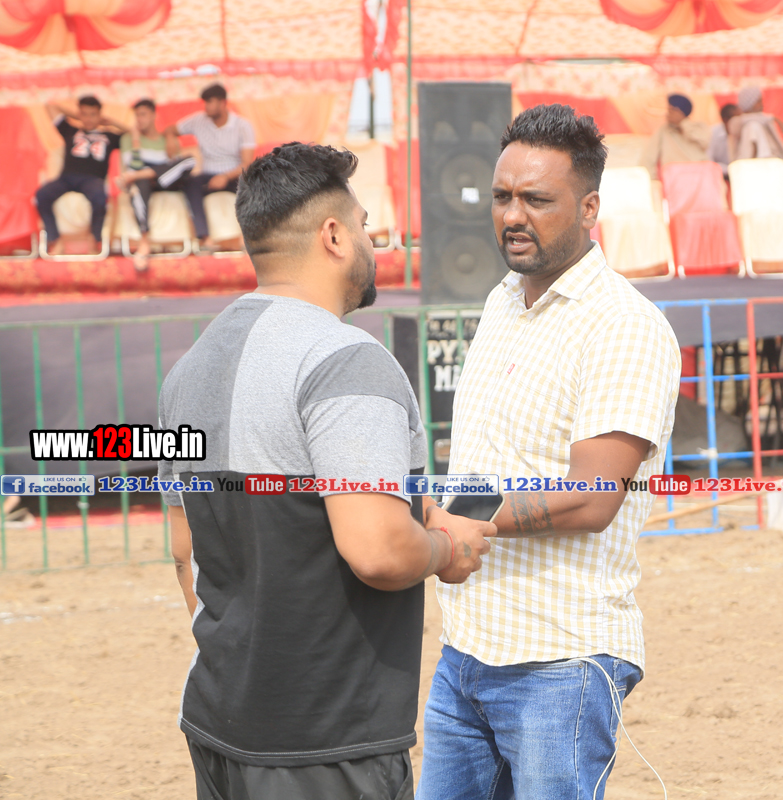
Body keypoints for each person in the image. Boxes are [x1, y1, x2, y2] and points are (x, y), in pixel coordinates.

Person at [159, 142, 494, 800]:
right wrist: (446, 549)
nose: (373, 241)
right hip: (326, 740)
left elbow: (184, 554)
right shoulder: (344, 359)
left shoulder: (189, 368)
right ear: (334, 236)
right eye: (366, 225)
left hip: (220, 723)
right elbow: (378, 550)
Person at [415, 104, 680, 800]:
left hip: (561, 659)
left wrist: (457, 520)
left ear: (589, 207)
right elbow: (485, 465)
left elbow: (593, 499)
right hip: (466, 649)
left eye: (537, 199)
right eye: (502, 196)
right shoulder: (502, 301)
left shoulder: (624, 325)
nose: (513, 216)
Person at [165, 83, 256, 250]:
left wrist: (225, 177)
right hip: (208, 175)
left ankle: (247, 239)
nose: (206, 106)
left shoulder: (243, 125)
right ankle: (205, 238)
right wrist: (171, 139)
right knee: (191, 183)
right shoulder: (198, 120)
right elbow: (170, 130)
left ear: (222, 103)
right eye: (205, 102)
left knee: (252, 186)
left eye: (210, 102)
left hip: (234, 175)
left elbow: (247, 163)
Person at [35, 95, 126, 256]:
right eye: (84, 114)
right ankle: (55, 240)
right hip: (66, 178)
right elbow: (50, 106)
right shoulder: (70, 130)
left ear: (100, 114)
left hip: (93, 180)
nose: (88, 118)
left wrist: (112, 122)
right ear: (79, 114)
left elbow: (134, 134)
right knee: (42, 195)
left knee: (100, 198)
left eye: (93, 114)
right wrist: (77, 117)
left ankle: (94, 240)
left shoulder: (110, 136)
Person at [114, 99, 197, 269]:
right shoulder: (128, 139)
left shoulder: (167, 140)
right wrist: (136, 141)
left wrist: (169, 140)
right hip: (143, 182)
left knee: (189, 160)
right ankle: (144, 240)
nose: (139, 119)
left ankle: (145, 175)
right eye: (137, 115)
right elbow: (133, 166)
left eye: (143, 114)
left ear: (153, 116)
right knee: (138, 184)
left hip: (166, 181)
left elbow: (174, 168)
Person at [728, 85, 783, 204]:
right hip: (756, 165)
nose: (761, 104)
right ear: (750, 103)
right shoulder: (748, 124)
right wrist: (772, 118)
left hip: (773, 164)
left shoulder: (764, 120)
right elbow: (751, 150)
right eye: (758, 101)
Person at [639, 93, 710, 174]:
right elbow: (649, 157)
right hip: (674, 175)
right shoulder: (664, 130)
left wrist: (683, 123)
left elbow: (705, 143)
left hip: (700, 174)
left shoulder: (698, 126)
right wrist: (652, 178)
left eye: (672, 110)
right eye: (668, 110)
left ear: (681, 111)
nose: (668, 113)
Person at [707, 102, 741, 177]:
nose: (739, 122)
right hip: (718, 176)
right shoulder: (712, 134)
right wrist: (730, 170)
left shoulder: (743, 131)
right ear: (725, 120)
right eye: (736, 119)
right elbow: (709, 161)